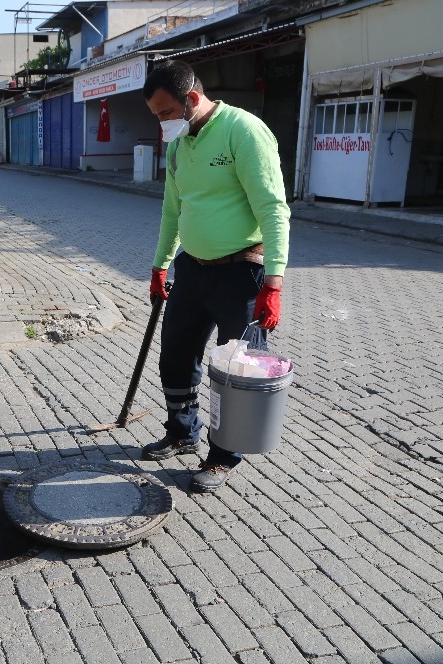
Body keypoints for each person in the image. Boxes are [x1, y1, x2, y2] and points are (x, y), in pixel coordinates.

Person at [140, 60, 290, 492]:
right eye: (155, 115)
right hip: (193, 268)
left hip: (241, 272)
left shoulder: (243, 131)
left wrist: (273, 282)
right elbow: (173, 211)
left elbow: (273, 211)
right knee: (176, 356)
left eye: (165, 112)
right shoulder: (178, 146)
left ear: (191, 99)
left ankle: (224, 455)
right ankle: (182, 431)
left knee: (235, 372)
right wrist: (160, 265)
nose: (161, 123)